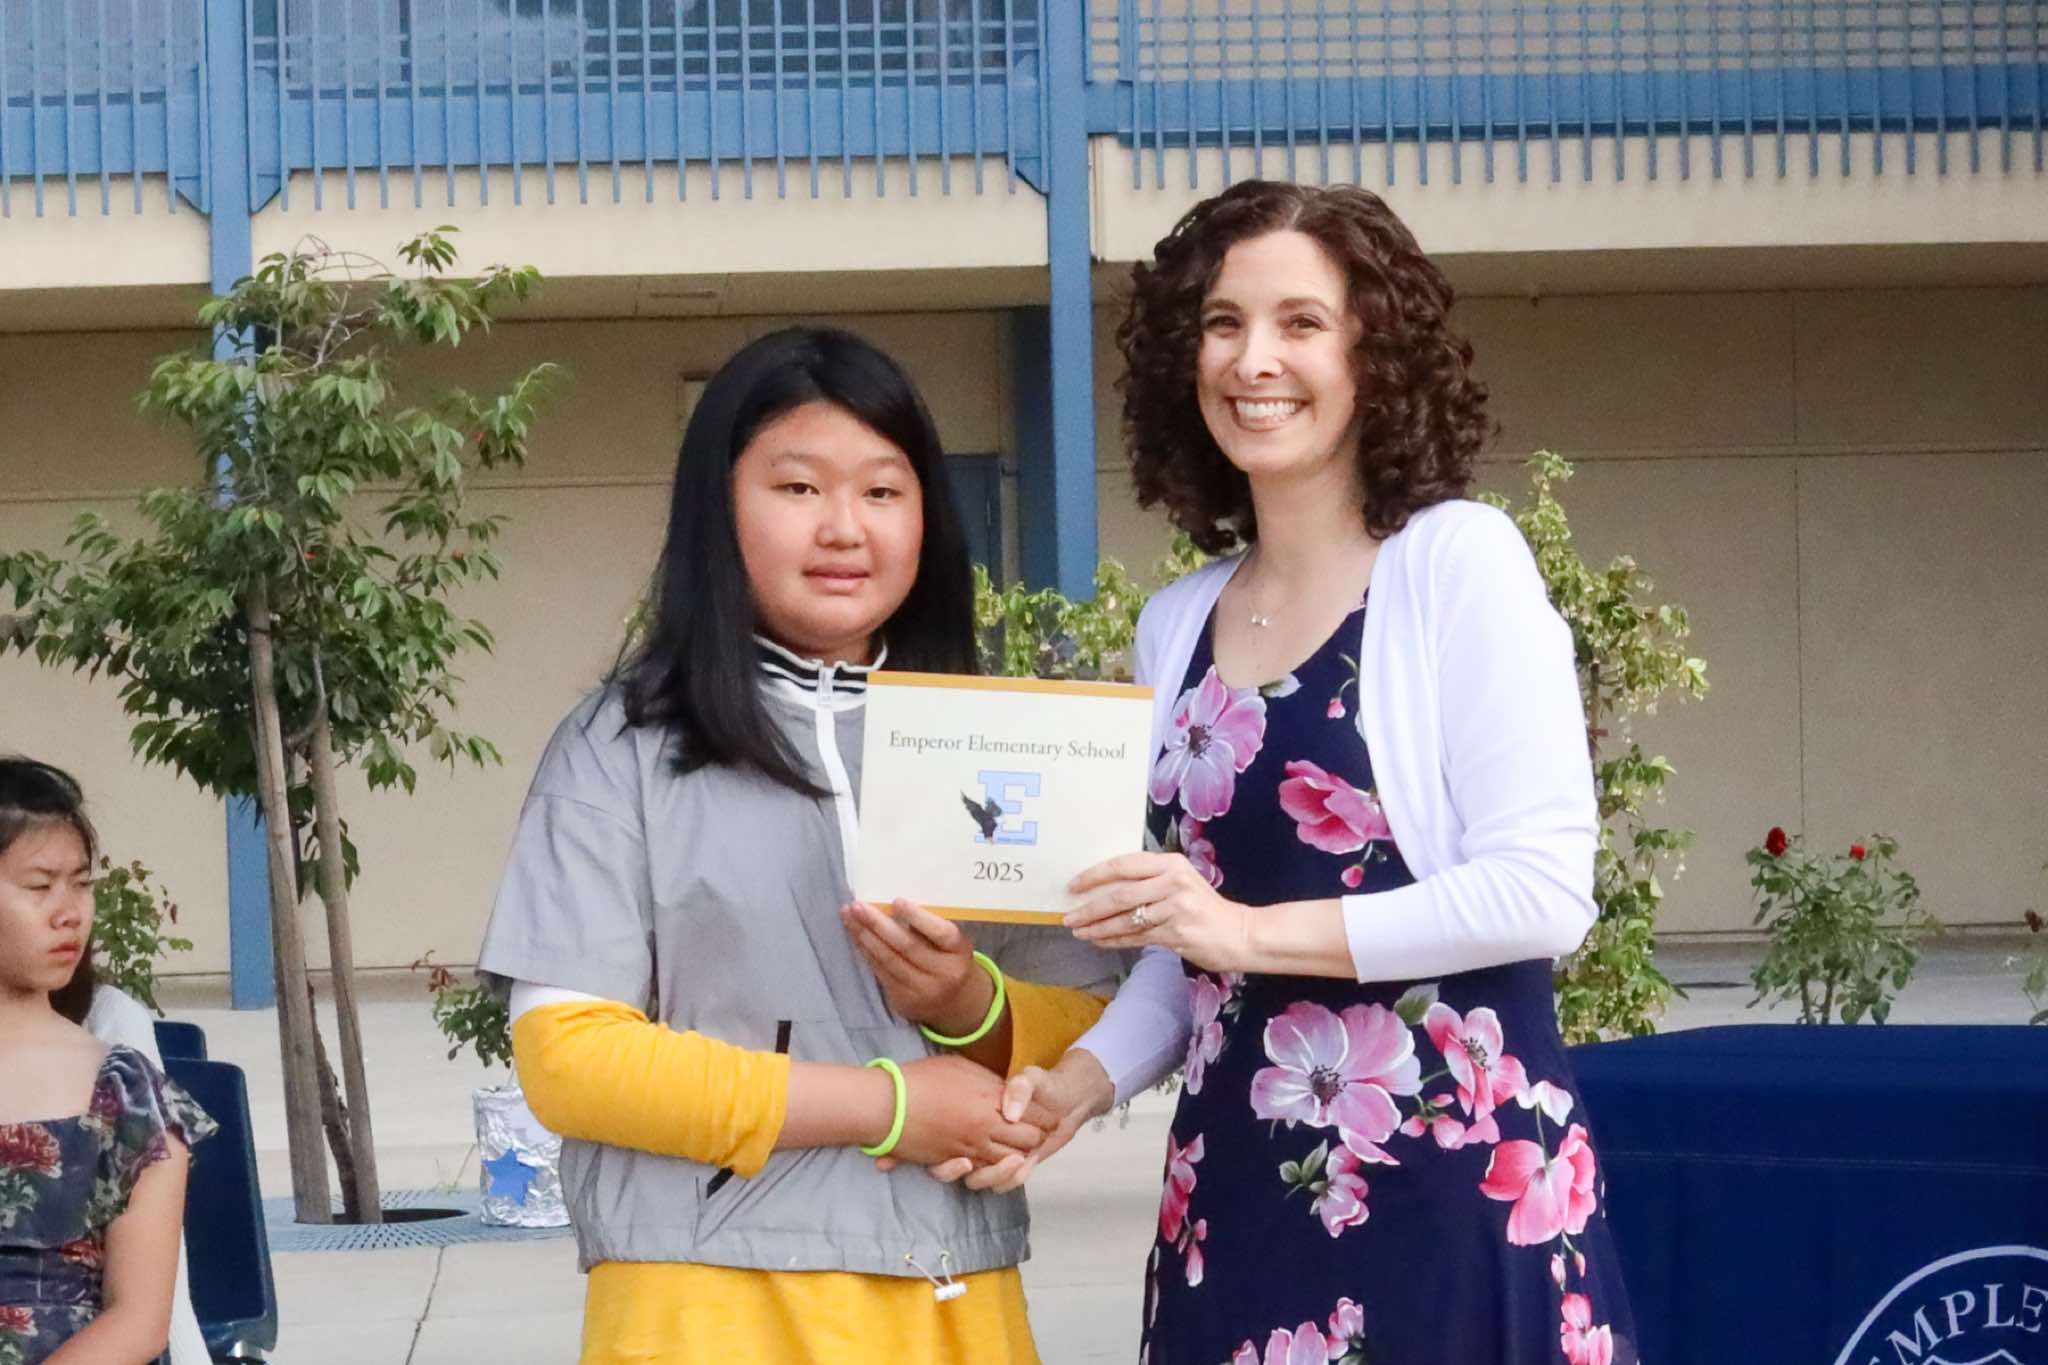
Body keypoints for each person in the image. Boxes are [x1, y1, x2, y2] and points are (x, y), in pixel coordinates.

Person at [971, 181, 1640, 1364]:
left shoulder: (1456, 562)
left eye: (1299, 323)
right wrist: (1075, 1084)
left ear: (1372, 356)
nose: (1252, 360)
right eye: (1221, 324)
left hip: (1449, 1185)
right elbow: (1187, 951)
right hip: (1233, 1193)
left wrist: (1238, 932)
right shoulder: (1176, 622)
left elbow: (1540, 893)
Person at [475, 326, 1122, 1365]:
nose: (843, 528)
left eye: (882, 490)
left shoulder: (1000, 738)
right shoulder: (618, 747)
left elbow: (1097, 1022)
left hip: (954, 1295)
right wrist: (889, 1106)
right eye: (797, 487)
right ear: (717, 507)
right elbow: (570, 1059)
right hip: (702, 1304)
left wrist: (967, 1005)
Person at [0, 758, 215, 1365]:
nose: (69, 911)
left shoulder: (124, 1093)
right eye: (40, 886)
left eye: (81, 883)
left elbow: (141, 1321)